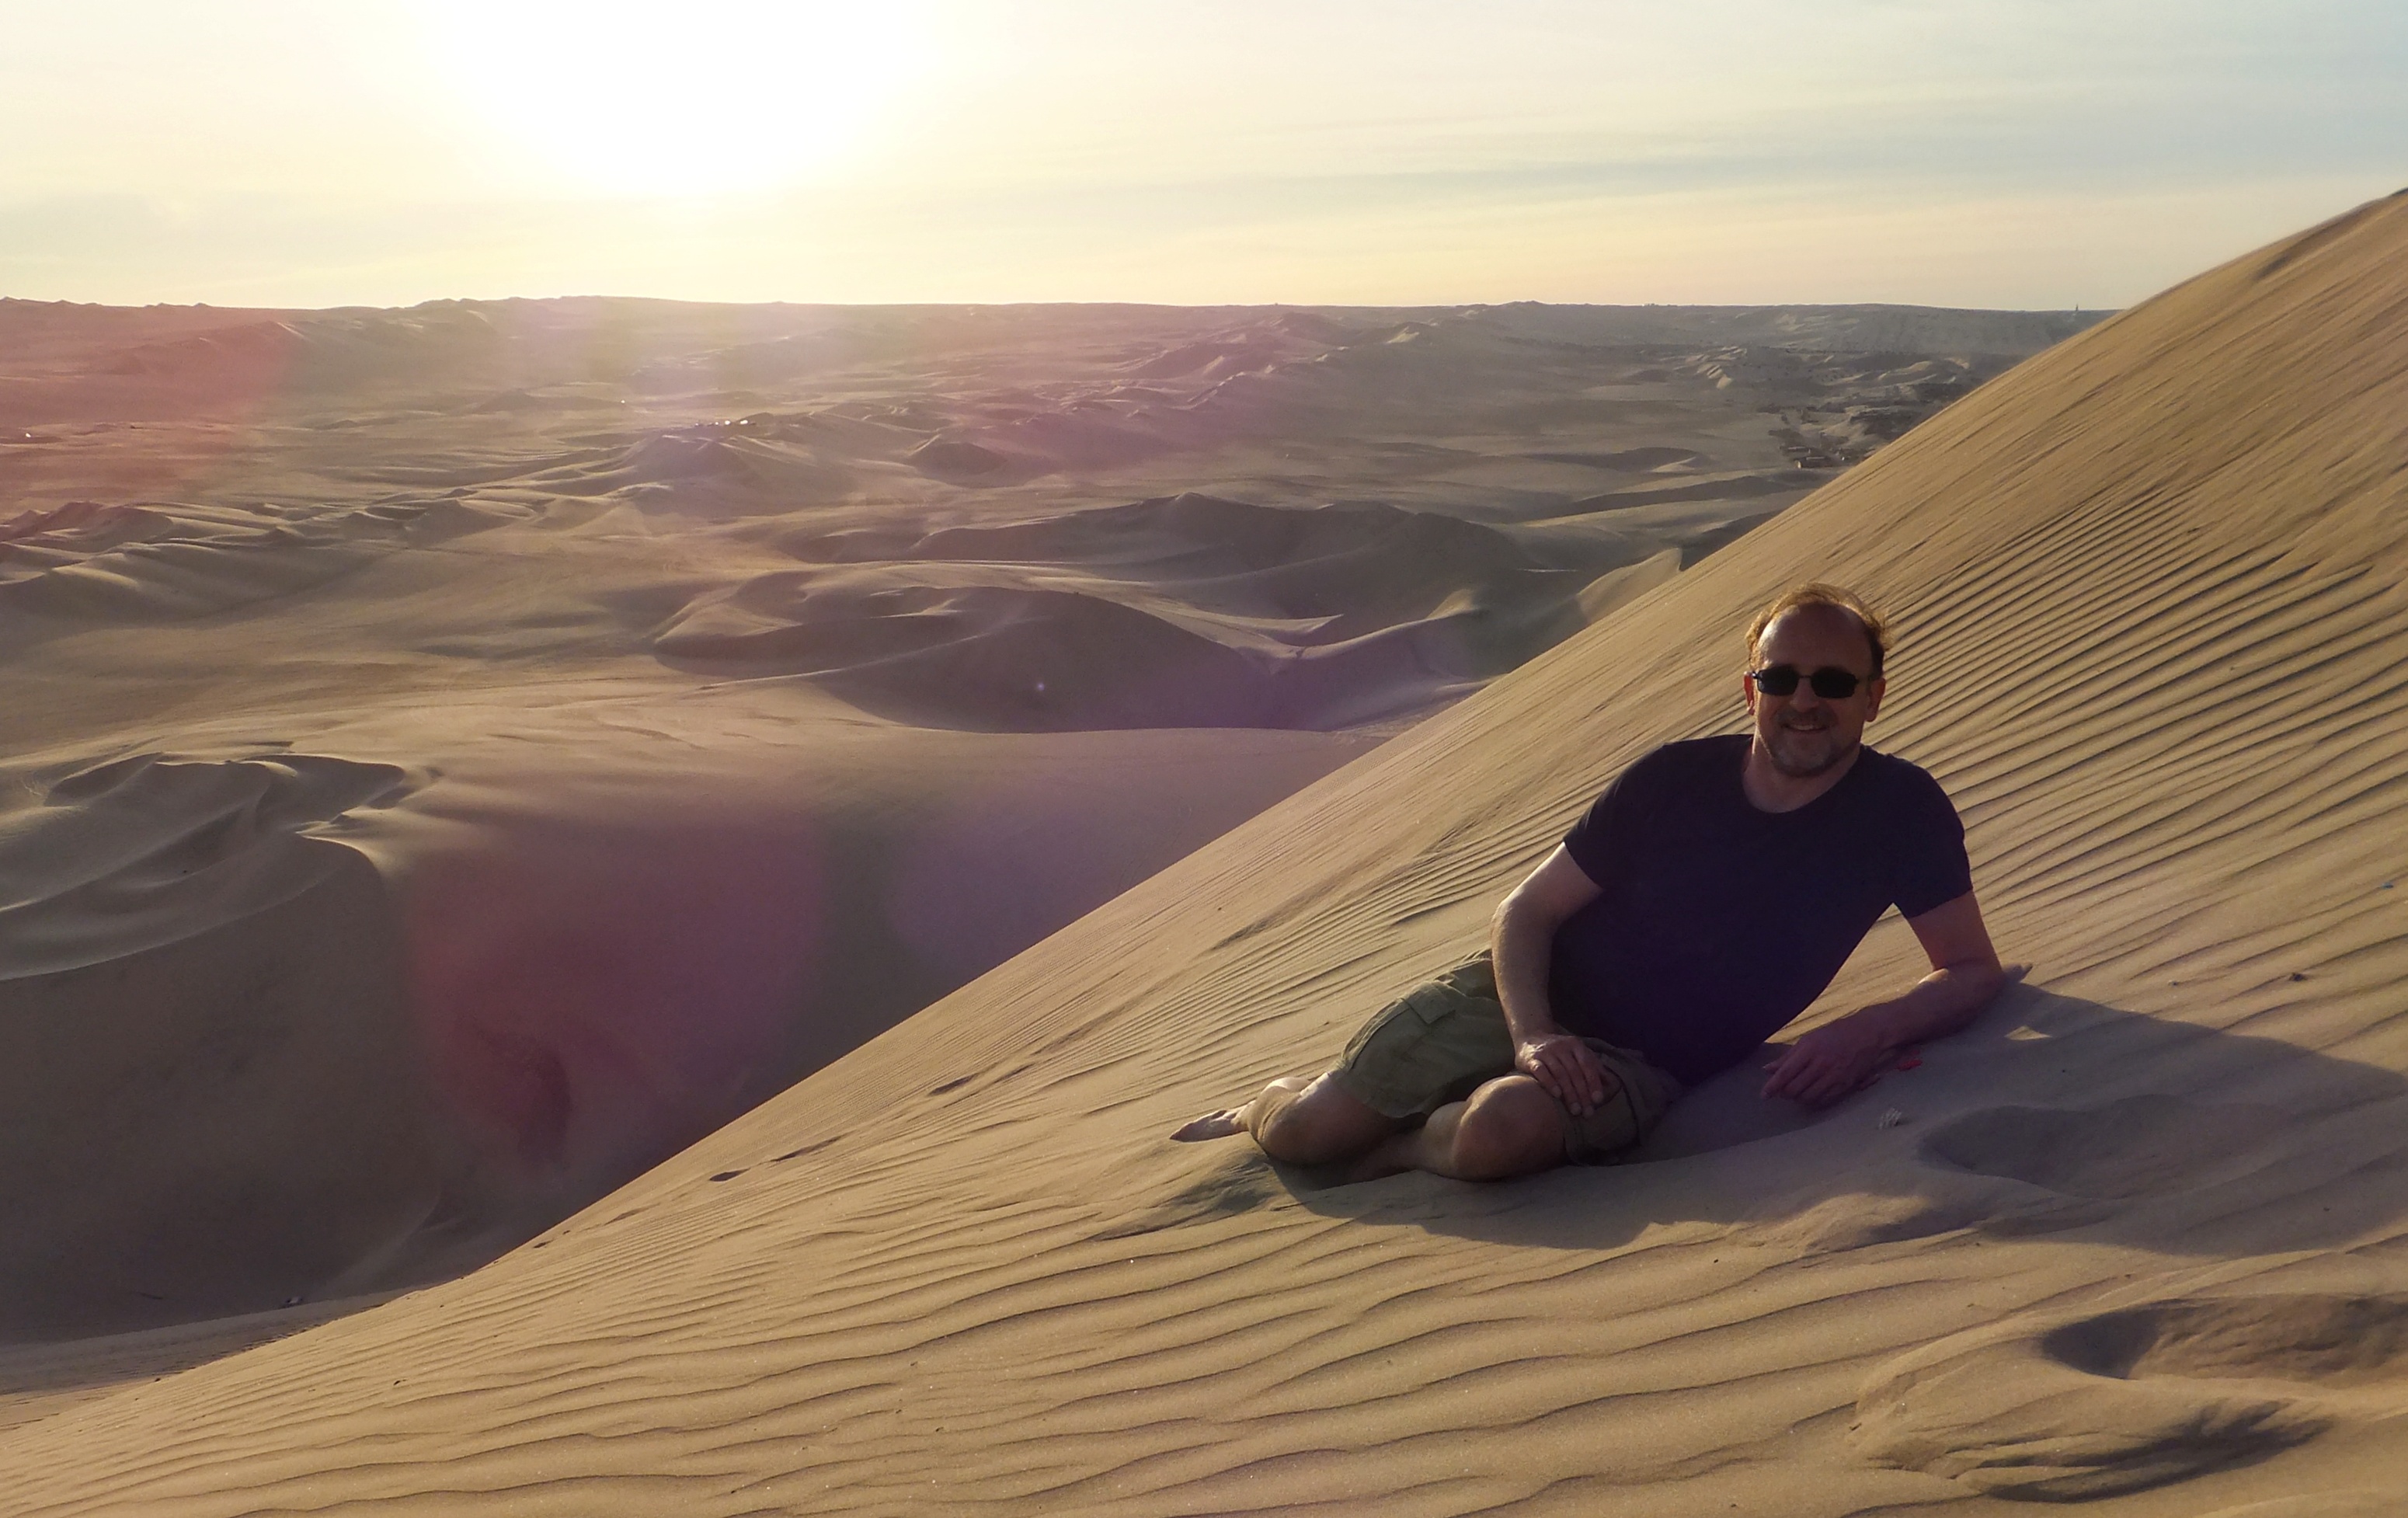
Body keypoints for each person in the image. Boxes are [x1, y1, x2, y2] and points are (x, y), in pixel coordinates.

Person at [1174, 583, 2010, 1182]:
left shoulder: (1901, 812)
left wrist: (1868, 1030)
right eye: (1779, 678)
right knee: (1305, 1133)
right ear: (1748, 689)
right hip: (1526, 998)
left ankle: (1394, 1151)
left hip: (1645, 1062)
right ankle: (1265, 1103)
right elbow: (1528, 910)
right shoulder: (1672, 780)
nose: (1803, 700)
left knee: (1497, 1133)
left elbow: (1970, 969)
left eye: (1832, 682)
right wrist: (1534, 1034)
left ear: (1873, 697)